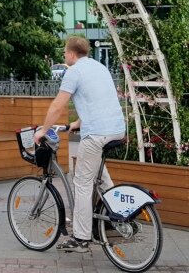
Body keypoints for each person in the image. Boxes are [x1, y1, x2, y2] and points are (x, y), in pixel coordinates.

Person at [34, 35, 125, 254]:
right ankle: (118, 217)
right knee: (102, 179)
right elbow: (98, 100)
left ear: (72, 54)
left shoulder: (73, 71)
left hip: (96, 134)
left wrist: (43, 131)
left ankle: (81, 239)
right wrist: (77, 123)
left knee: (81, 182)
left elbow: (57, 106)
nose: (64, 56)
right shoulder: (99, 68)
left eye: (65, 53)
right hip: (116, 130)